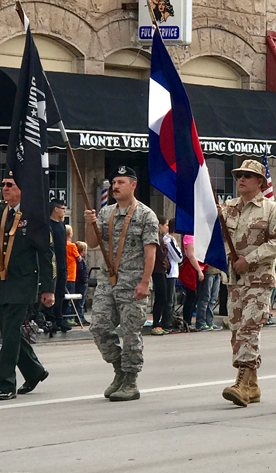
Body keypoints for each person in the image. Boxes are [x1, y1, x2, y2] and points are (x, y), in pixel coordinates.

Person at [0, 172, 54, 401]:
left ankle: (6, 383)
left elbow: (45, 254)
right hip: (0, 280)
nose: (5, 188)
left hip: (23, 282)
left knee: (9, 334)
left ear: (22, 190)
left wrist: (48, 288)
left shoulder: (35, 215)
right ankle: (35, 371)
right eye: (3, 185)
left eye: (10, 185)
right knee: (9, 331)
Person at [84, 166, 160, 402]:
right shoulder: (106, 213)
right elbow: (92, 242)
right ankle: (119, 369)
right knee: (98, 327)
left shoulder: (146, 215)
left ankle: (130, 380)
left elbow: (150, 253)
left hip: (133, 283)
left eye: (121, 182)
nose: (115, 186)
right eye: (113, 182)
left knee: (130, 332)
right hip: (109, 281)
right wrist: (90, 223)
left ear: (133, 185)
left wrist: (145, 283)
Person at [217, 159, 276, 407]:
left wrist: (250, 258)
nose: (241, 179)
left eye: (248, 175)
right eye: (239, 175)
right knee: (236, 332)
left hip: (259, 279)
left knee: (249, 328)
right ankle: (253, 386)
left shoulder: (271, 209)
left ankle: (242, 384)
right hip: (234, 281)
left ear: (260, 182)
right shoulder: (227, 208)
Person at [45, 199, 71, 333]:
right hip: (53, 264)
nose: (64, 211)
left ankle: (60, 318)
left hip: (62, 263)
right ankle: (50, 318)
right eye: (63, 209)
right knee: (52, 292)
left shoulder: (62, 225)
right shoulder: (49, 225)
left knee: (60, 292)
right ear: (55, 209)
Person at [150, 217, 174, 335]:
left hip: (162, 270)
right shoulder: (157, 239)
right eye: (166, 225)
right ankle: (155, 324)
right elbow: (161, 254)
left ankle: (158, 322)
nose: (167, 228)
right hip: (157, 270)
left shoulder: (163, 239)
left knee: (163, 298)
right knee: (161, 297)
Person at [178, 234, 204, 332]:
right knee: (190, 296)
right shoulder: (189, 237)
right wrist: (199, 271)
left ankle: (189, 322)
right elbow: (191, 256)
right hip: (192, 270)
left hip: (199, 267)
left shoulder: (197, 236)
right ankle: (187, 322)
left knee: (195, 297)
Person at [64, 225, 81, 325]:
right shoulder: (72, 246)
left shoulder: (61, 244)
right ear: (70, 234)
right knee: (70, 298)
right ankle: (70, 317)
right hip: (71, 274)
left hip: (63, 275)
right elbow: (78, 258)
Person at [74, 241, 90, 326]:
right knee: (81, 302)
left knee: (78, 302)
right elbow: (82, 272)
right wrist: (85, 280)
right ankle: (81, 318)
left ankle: (79, 317)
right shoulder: (81, 260)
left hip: (77, 282)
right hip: (82, 283)